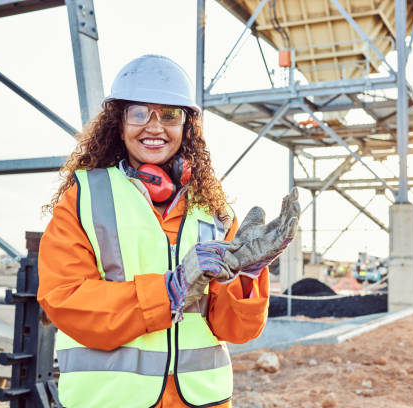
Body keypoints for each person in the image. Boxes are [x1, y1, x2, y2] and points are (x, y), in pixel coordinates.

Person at [37, 54, 299, 408]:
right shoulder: (83, 200)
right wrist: (170, 292)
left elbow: (237, 331)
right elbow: (64, 300)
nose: (155, 127)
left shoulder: (215, 211)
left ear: (186, 125)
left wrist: (248, 276)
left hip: (202, 402)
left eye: (170, 114)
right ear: (119, 123)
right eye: (139, 113)